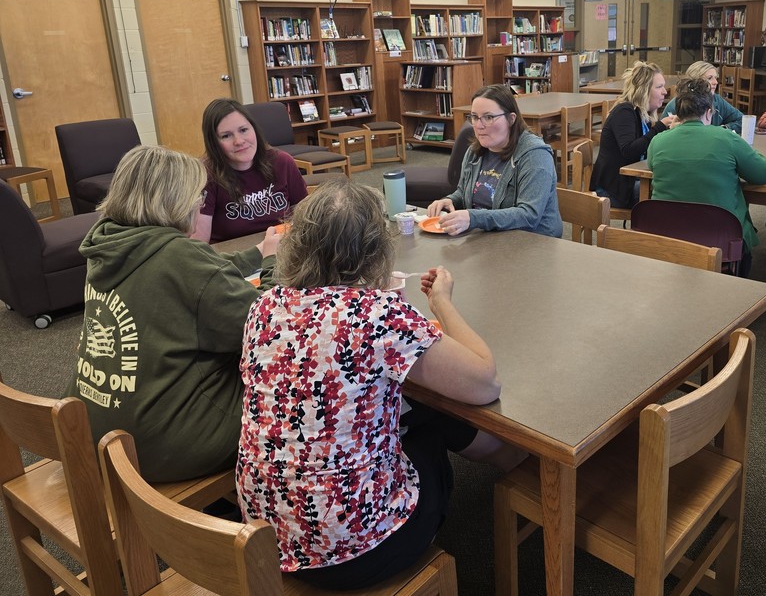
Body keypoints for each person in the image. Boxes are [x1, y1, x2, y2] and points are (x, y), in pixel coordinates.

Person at [237, 179, 519, 590]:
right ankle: (515, 472)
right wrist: (442, 300)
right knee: (431, 418)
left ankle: (507, 464)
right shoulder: (375, 313)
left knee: (403, 408)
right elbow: (485, 383)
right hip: (359, 550)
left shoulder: (263, 306)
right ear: (375, 250)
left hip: (265, 540)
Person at [66, 144, 282, 482]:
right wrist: (273, 264)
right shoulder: (180, 259)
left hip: (95, 430)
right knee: (294, 377)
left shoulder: (110, 243)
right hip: (160, 446)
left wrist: (256, 253)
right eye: (196, 196)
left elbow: (199, 271)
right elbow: (271, 327)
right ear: (173, 201)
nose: (199, 204)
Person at [647, 78, 766, 278]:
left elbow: (652, 166)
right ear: (709, 112)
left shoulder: (657, 142)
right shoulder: (727, 138)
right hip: (722, 241)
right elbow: (764, 173)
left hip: (668, 236)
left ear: (678, 114)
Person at [426, 85, 561, 237]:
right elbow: (465, 192)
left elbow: (529, 215)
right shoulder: (474, 152)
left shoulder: (535, 156)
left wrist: (474, 218)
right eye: (474, 117)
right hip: (490, 238)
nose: (478, 125)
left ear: (511, 119)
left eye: (488, 117)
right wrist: (450, 201)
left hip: (534, 243)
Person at [192, 98, 307, 243]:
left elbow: (305, 219)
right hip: (232, 259)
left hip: (283, 252)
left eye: (243, 130)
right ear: (213, 143)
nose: (239, 141)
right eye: (226, 136)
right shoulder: (205, 175)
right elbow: (199, 244)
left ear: (254, 130)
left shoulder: (282, 162)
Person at [590, 60, 677, 209]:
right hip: (613, 189)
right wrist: (660, 127)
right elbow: (629, 151)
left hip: (629, 182)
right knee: (667, 195)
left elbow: (646, 147)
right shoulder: (624, 112)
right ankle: (646, 232)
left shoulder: (643, 115)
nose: (665, 92)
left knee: (669, 189)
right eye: (659, 87)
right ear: (643, 90)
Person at [662, 60, 744, 133]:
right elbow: (662, 135)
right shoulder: (675, 105)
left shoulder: (716, 99)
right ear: (695, 81)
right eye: (710, 78)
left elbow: (742, 120)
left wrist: (724, 129)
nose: (715, 82)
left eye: (716, 78)